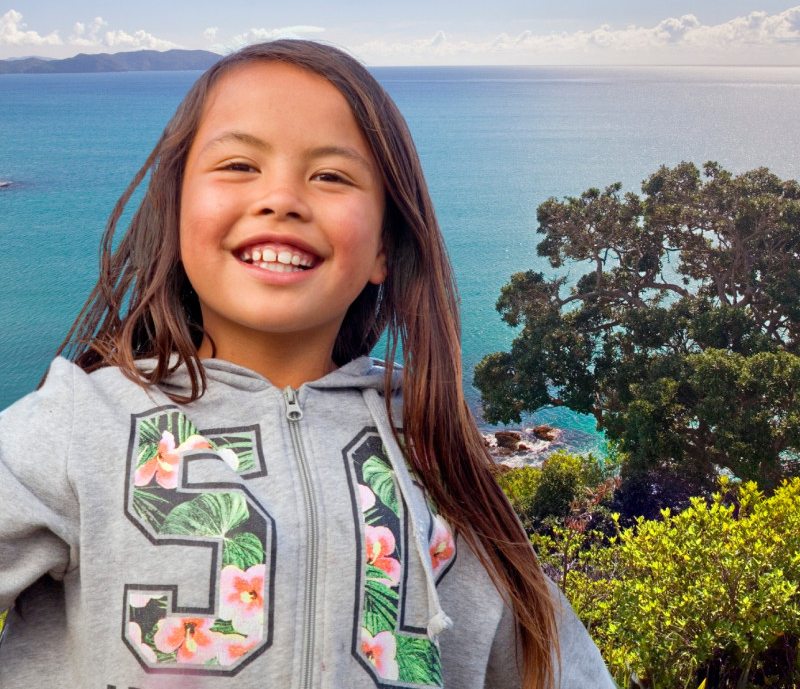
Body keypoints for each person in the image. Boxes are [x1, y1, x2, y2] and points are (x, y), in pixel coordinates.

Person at [0, 40, 614, 688]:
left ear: (384, 248)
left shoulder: (427, 442)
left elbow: (549, 664)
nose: (282, 197)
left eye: (330, 176)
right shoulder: (80, 423)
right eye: (238, 164)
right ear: (178, 214)